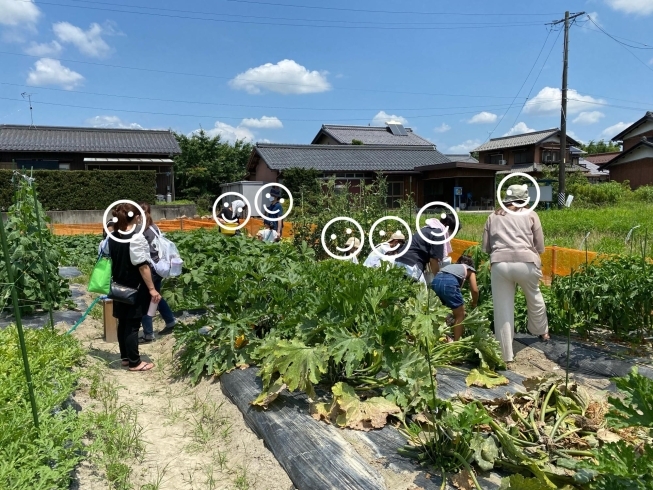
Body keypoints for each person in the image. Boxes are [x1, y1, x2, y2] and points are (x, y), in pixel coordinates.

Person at [482, 184, 550, 366]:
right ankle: (542, 331)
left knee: (502, 309)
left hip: (500, 265)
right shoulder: (530, 214)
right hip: (526, 263)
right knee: (534, 296)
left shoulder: (493, 216)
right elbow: (540, 245)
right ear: (524, 199)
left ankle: (506, 355)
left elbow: (486, 247)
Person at [104, 203, 159, 372]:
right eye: (138, 216)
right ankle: (135, 362)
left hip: (118, 286)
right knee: (133, 325)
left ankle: (126, 358)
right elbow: (142, 266)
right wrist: (152, 289)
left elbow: (107, 256)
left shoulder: (112, 237)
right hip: (134, 287)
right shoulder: (135, 238)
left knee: (122, 322)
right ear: (134, 218)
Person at [139, 202, 177, 341]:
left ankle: (148, 333)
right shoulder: (154, 227)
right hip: (160, 267)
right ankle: (170, 320)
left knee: (146, 299)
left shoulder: (143, 231)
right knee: (156, 297)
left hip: (151, 269)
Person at [431, 255, 479, 341]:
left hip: (436, 281)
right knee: (460, 314)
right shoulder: (470, 270)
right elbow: (475, 290)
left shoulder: (452, 266)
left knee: (440, 312)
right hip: (449, 283)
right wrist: (474, 303)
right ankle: (457, 343)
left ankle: (440, 337)